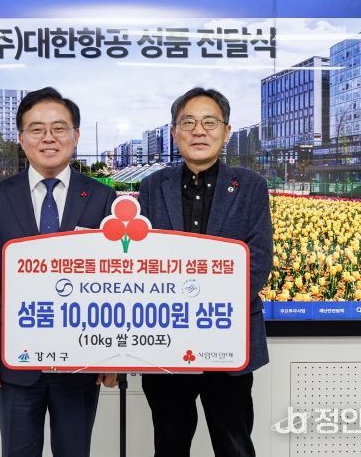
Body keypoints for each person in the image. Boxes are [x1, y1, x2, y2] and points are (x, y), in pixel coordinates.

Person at [0, 87, 118, 457]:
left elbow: (116, 283)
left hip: (82, 358)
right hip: (14, 361)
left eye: (58, 128)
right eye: (36, 129)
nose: (48, 138)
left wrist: (113, 355)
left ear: (75, 135)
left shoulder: (102, 198)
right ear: (22, 139)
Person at [138, 87, 273, 457]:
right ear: (174, 132)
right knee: (169, 445)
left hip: (229, 338)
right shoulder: (152, 187)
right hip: (166, 340)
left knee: (234, 445)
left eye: (210, 122)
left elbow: (258, 259)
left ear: (226, 132)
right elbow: (141, 261)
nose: (199, 131)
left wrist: (207, 313)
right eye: (189, 123)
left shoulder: (250, 186)